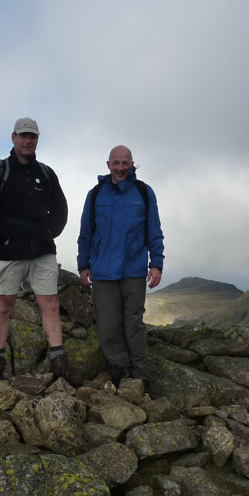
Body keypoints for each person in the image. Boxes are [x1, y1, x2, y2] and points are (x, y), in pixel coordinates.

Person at [0, 117, 80, 386]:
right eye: (23, 136)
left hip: (41, 249)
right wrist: (2, 235)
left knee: (50, 304)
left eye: (32, 136)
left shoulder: (46, 173)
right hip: (7, 250)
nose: (28, 141)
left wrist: (48, 233)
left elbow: (60, 209)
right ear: (13, 137)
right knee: (3, 304)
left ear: (37, 140)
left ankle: (59, 362)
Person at [76, 145, 164, 394]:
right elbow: (86, 233)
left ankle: (141, 375)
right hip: (103, 272)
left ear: (132, 164)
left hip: (134, 270)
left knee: (133, 324)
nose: (121, 168)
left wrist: (156, 264)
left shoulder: (143, 193)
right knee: (108, 326)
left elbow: (154, 231)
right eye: (116, 163)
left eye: (125, 163)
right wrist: (84, 265)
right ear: (108, 165)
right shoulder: (95, 195)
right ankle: (120, 371)